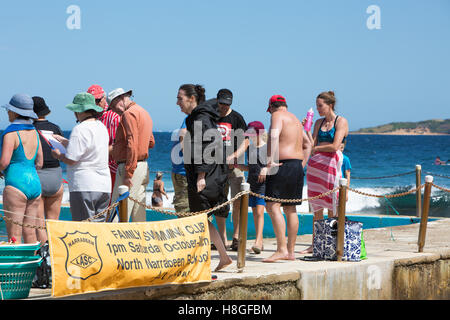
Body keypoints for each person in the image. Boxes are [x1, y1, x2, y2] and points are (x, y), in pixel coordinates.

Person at [177, 84, 232, 271]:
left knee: (199, 218)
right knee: (200, 218)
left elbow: (205, 146)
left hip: (205, 175)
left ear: (192, 99)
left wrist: (201, 176)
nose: (177, 103)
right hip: (210, 173)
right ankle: (220, 256)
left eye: (180, 98)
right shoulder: (200, 116)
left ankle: (214, 258)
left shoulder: (200, 117)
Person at [260, 95, 311, 262]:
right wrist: (301, 163)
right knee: (290, 209)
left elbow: (274, 136)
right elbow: (308, 144)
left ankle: (281, 249)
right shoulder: (296, 120)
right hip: (296, 165)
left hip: (281, 164)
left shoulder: (277, 116)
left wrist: (271, 163)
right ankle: (290, 252)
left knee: (273, 206)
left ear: (272, 107)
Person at [51, 92, 111, 222]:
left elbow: (72, 159)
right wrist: (66, 142)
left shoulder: (80, 129)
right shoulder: (101, 127)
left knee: (84, 230)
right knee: (98, 228)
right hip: (104, 186)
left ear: (79, 111)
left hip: (84, 185)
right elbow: (90, 148)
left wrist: (58, 155)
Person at [303, 90, 349, 254]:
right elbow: (311, 144)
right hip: (316, 168)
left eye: (320, 106)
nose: (318, 109)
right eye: (316, 106)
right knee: (316, 207)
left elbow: (335, 146)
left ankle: (331, 242)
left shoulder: (341, 121)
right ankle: (316, 242)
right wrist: (306, 130)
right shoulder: (317, 122)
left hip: (331, 168)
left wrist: (316, 148)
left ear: (330, 105)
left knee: (332, 205)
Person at [0, 93, 43, 243]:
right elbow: (40, 162)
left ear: (15, 112)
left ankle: (15, 266)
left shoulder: (10, 132)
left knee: (14, 234)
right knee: (30, 233)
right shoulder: (35, 132)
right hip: (34, 184)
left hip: (16, 184)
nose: (7, 112)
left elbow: (4, 162)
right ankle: (32, 265)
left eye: (9, 110)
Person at [108, 88, 155, 222]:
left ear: (120, 99)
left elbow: (132, 143)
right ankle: (140, 242)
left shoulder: (128, 114)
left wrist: (128, 172)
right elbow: (151, 142)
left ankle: (113, 242)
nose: (113, 111)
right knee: (138, 213)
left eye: (113, 106)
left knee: (119, 210)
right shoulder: (144, 112)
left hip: (130, 167)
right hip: (142, 165)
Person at [216, 88, 248, 251]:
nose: (223, 107)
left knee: (238, 201)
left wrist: (235, 156)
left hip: (234, 167)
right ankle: (222, 238)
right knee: (220, 203)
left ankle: (236, 237)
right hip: (216, 167)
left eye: (226, 104)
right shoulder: (211, 115)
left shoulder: (237, 118)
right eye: (221, 103)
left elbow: (246, 141)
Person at [32, 96, 64, 243]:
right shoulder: (55, 128)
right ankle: (54, 256)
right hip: (56, 176)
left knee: (39, 226)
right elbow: (62, 151)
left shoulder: (29, 129)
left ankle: (44, 259)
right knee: (53, 223)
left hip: (38, 176)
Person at [235, 121, 267, 254]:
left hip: (263, 184)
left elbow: (274, 164)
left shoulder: (267, 148)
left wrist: (265, 169)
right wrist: (240, 166)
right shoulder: (251, 148)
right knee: (254, 212)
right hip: (251, 183)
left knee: (260, 212)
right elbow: (252, 167)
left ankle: (258, 242)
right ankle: (260, 241)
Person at [87, 85, 121, 194]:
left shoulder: (113, 117)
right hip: (95, 168)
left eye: (97, 101)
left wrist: (96, 153)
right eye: (91, 101)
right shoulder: (91, 117)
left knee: (109, 205)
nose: (94, 104)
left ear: (104, 98)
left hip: (110, 169)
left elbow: (117, 145)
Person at [171, 117, 189, 213]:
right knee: (184, 208)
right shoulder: (190, 119)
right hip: (183, 171)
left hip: (182, 171)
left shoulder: (190, 119)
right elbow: (183, 132)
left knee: (184, 207)